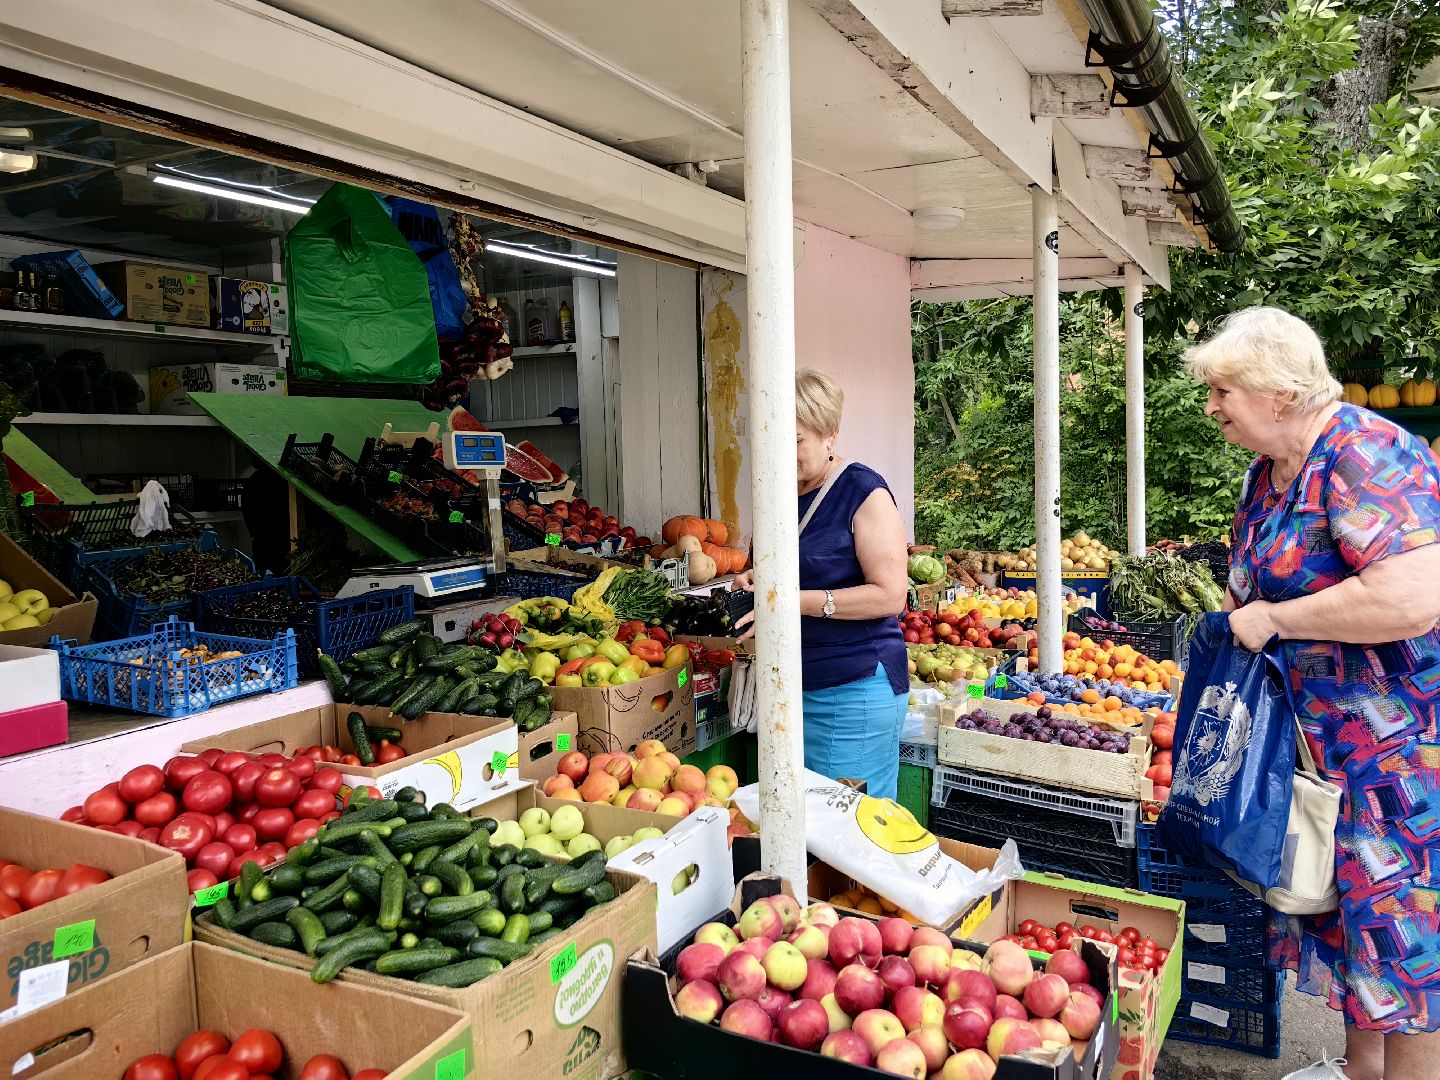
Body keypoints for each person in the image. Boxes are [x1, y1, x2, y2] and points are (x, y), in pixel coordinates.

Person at [1184, 306, 1440, 1080]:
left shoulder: (1368, 451)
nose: (1213, 406)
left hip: (1395, 757)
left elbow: (1414, 595)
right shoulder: (1268, 473)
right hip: (1314, 746)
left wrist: (1274, 618)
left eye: (1224, 389)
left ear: (1278, 390)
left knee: (1403, 944)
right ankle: (1360, 1072)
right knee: (1342, 922)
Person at [733, 368, 910, 799]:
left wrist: (794, 602)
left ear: (830, 435)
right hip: (792, 689)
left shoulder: (864, 491)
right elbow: (788, 573)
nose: (780, 452)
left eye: (794, 440)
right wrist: (759, 580)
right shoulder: (777, 495)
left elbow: (890, 594)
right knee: (810, 833)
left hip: (853, 690)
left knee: (849, 830)